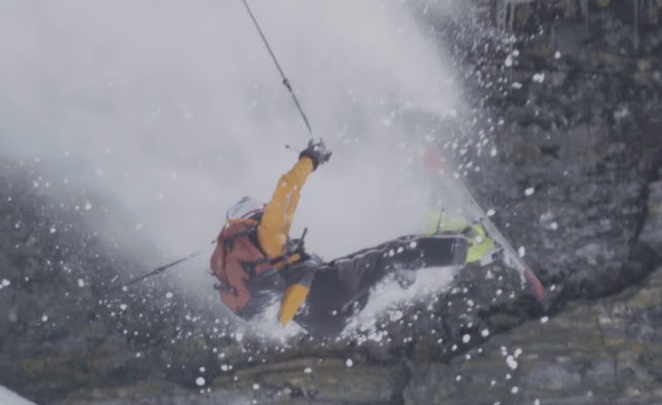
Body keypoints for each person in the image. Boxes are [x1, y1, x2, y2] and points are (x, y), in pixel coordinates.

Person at [210, 140, 492, 337]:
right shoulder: (265, 233)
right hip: (325, 291)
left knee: (376, 267)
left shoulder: (241, 261)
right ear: (254, 214)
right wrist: (310, 159)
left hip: (317, 324)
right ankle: (471, 247)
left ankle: (410, 270)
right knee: (392, 253)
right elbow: (286, 189)